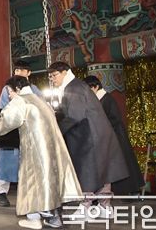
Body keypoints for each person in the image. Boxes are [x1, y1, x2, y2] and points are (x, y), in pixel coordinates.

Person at [0, 76, 82, 230]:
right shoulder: (40, 100)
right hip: (53, 148)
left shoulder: (21, 100)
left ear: (17, 89)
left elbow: (8, 120)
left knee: (33, 180)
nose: (9, 95)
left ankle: (34, 218)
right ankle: (54, 218)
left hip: (36, 148)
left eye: (10, 92)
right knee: (50, 181)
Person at [47, 62, 129, 219]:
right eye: (50, 77)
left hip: (89, 136)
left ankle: (85, 208)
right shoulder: (76, 86)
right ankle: (105, 207)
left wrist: (56, 131)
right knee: (104, 171)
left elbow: (75, 116)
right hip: (98, 134)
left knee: (88, 172)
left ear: (65, 72)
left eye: (54, 75)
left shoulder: (73, 88)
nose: (52, 79)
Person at [0, 60, 42, 208]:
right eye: (16, 70)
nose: (18, 73)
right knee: (4, 162)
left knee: (28, 164)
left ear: (28, 73)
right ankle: (1, 192)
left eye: (22, 70)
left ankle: (28, 194)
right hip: (10, 130)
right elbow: (3, 109)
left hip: (28, 131)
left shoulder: (34, 89)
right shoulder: (7, 89)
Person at [84, 75, 145, 195]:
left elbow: (115, 118)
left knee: (122, 164)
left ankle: (130, 191)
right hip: (107, 136)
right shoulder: (98, 99)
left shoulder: (106, 99)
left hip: (116, 136)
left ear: (95, 87)